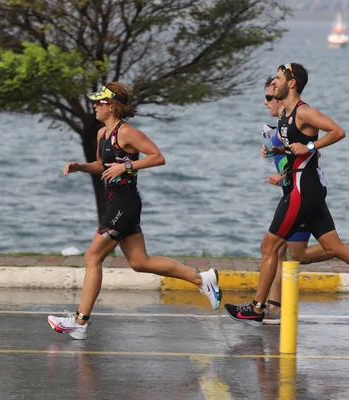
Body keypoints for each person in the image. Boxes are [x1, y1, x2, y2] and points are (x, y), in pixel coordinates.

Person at [225, 64, 349, 326]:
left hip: (302, 190)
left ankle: (256, 307)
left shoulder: (304, 112)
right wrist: (277, 153)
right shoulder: (285, 115)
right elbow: (294, 152)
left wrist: (310, 145)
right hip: (303, 188)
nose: (274, 84)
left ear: (292, 83)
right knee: (332, 246)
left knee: (269, 245)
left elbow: (337, 132)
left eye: (279, 79)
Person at [47, 82, 222, 339]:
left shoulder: (127, 133)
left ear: (112, 105)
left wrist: (127, 167)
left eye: (99, 102)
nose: (94, 106)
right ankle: (202, 279)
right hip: (117, 202)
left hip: (125, 203)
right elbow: (101, 164)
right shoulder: (101, 135)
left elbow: (157, 157)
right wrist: (80, 167)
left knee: (92, 258)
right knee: (140, 262)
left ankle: (80, 321)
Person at [260, 76, 349, 324]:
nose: (266, 102)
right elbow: (298, 155)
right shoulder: (281, 127)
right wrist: (280, 164)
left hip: (303, 192)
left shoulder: (299, 115)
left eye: (270, 96)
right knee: (289, 252)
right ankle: (271, 305)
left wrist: (287, 170)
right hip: (294, 191)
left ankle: (268, 306)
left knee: (282, 250)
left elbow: (315, 152)